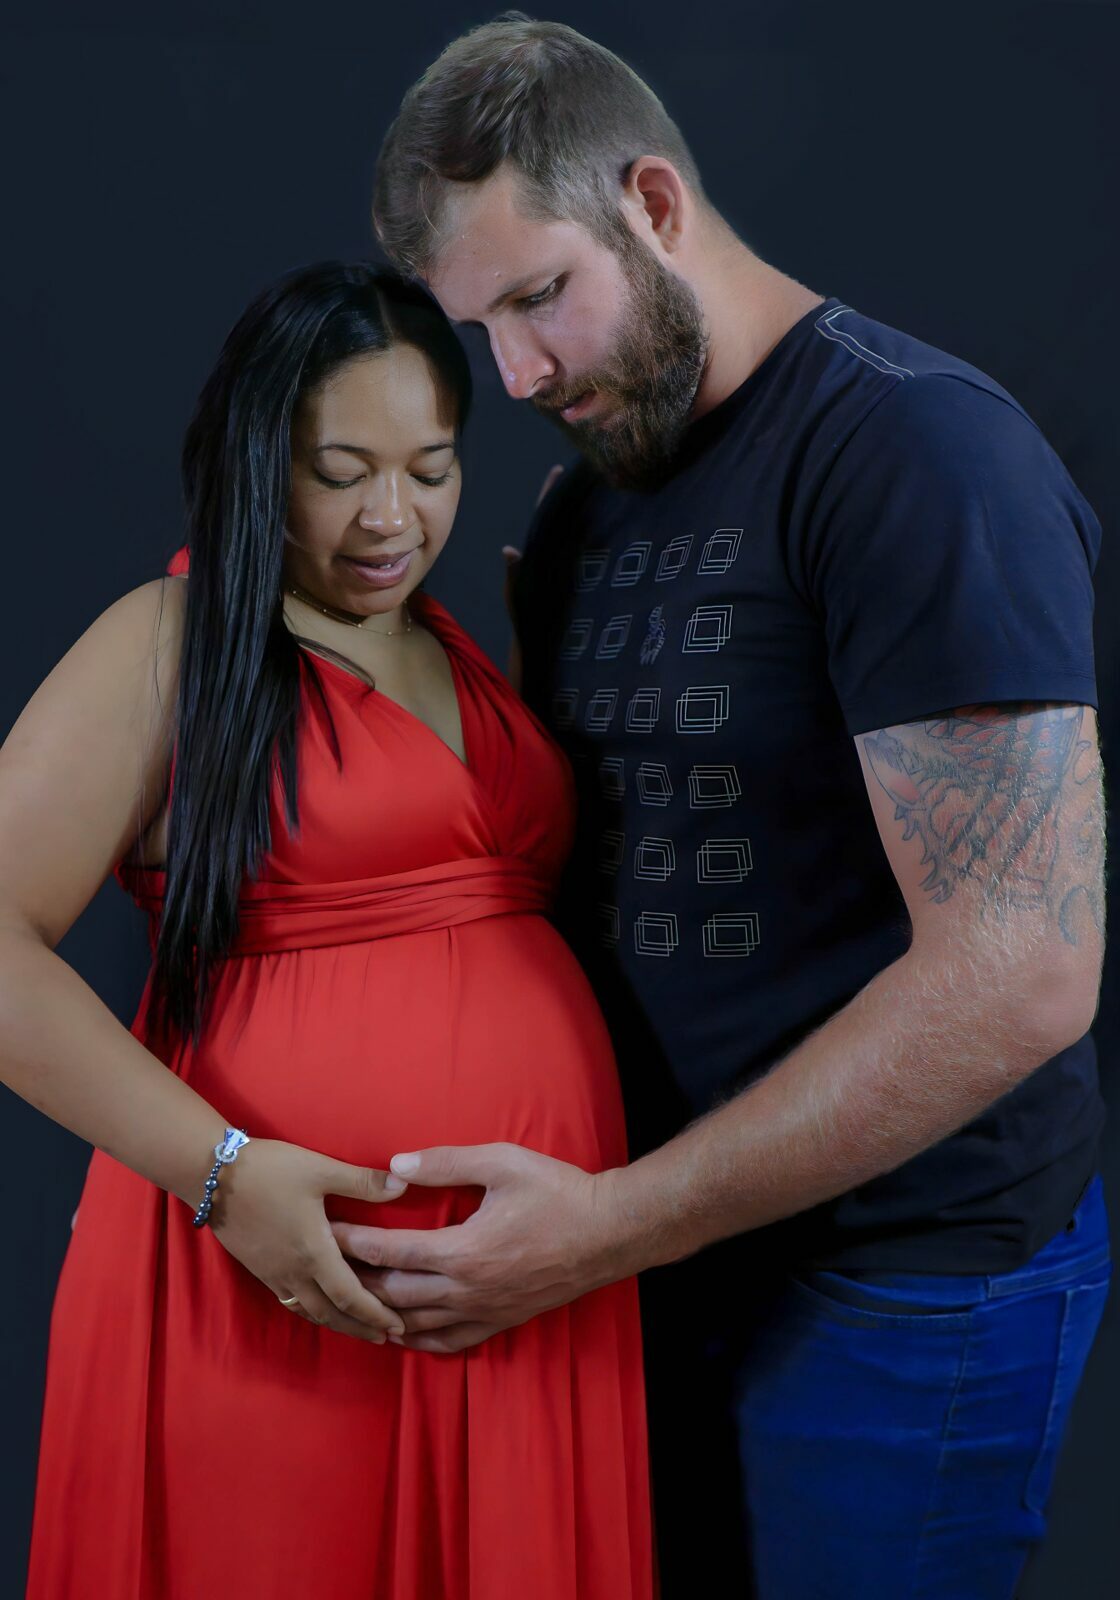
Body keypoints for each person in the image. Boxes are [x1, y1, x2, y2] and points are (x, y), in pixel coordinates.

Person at [358, 17, 1112, 1598]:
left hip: (897, 1285)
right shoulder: (590, 496)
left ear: (652, 201)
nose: (518, 374)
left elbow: (1026, 971)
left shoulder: (915, 452)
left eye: (540, 296)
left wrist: (616, 1223)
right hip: (658, 1260)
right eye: (480, 328)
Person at [9, 261, 653, 1599]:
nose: (390, 517)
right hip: (268, 1282)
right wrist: (226, 1179)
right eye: (340, 471)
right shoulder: (173, 643)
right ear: (259, 462)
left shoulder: (452, 641)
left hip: (522, 1281)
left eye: (431, 469)